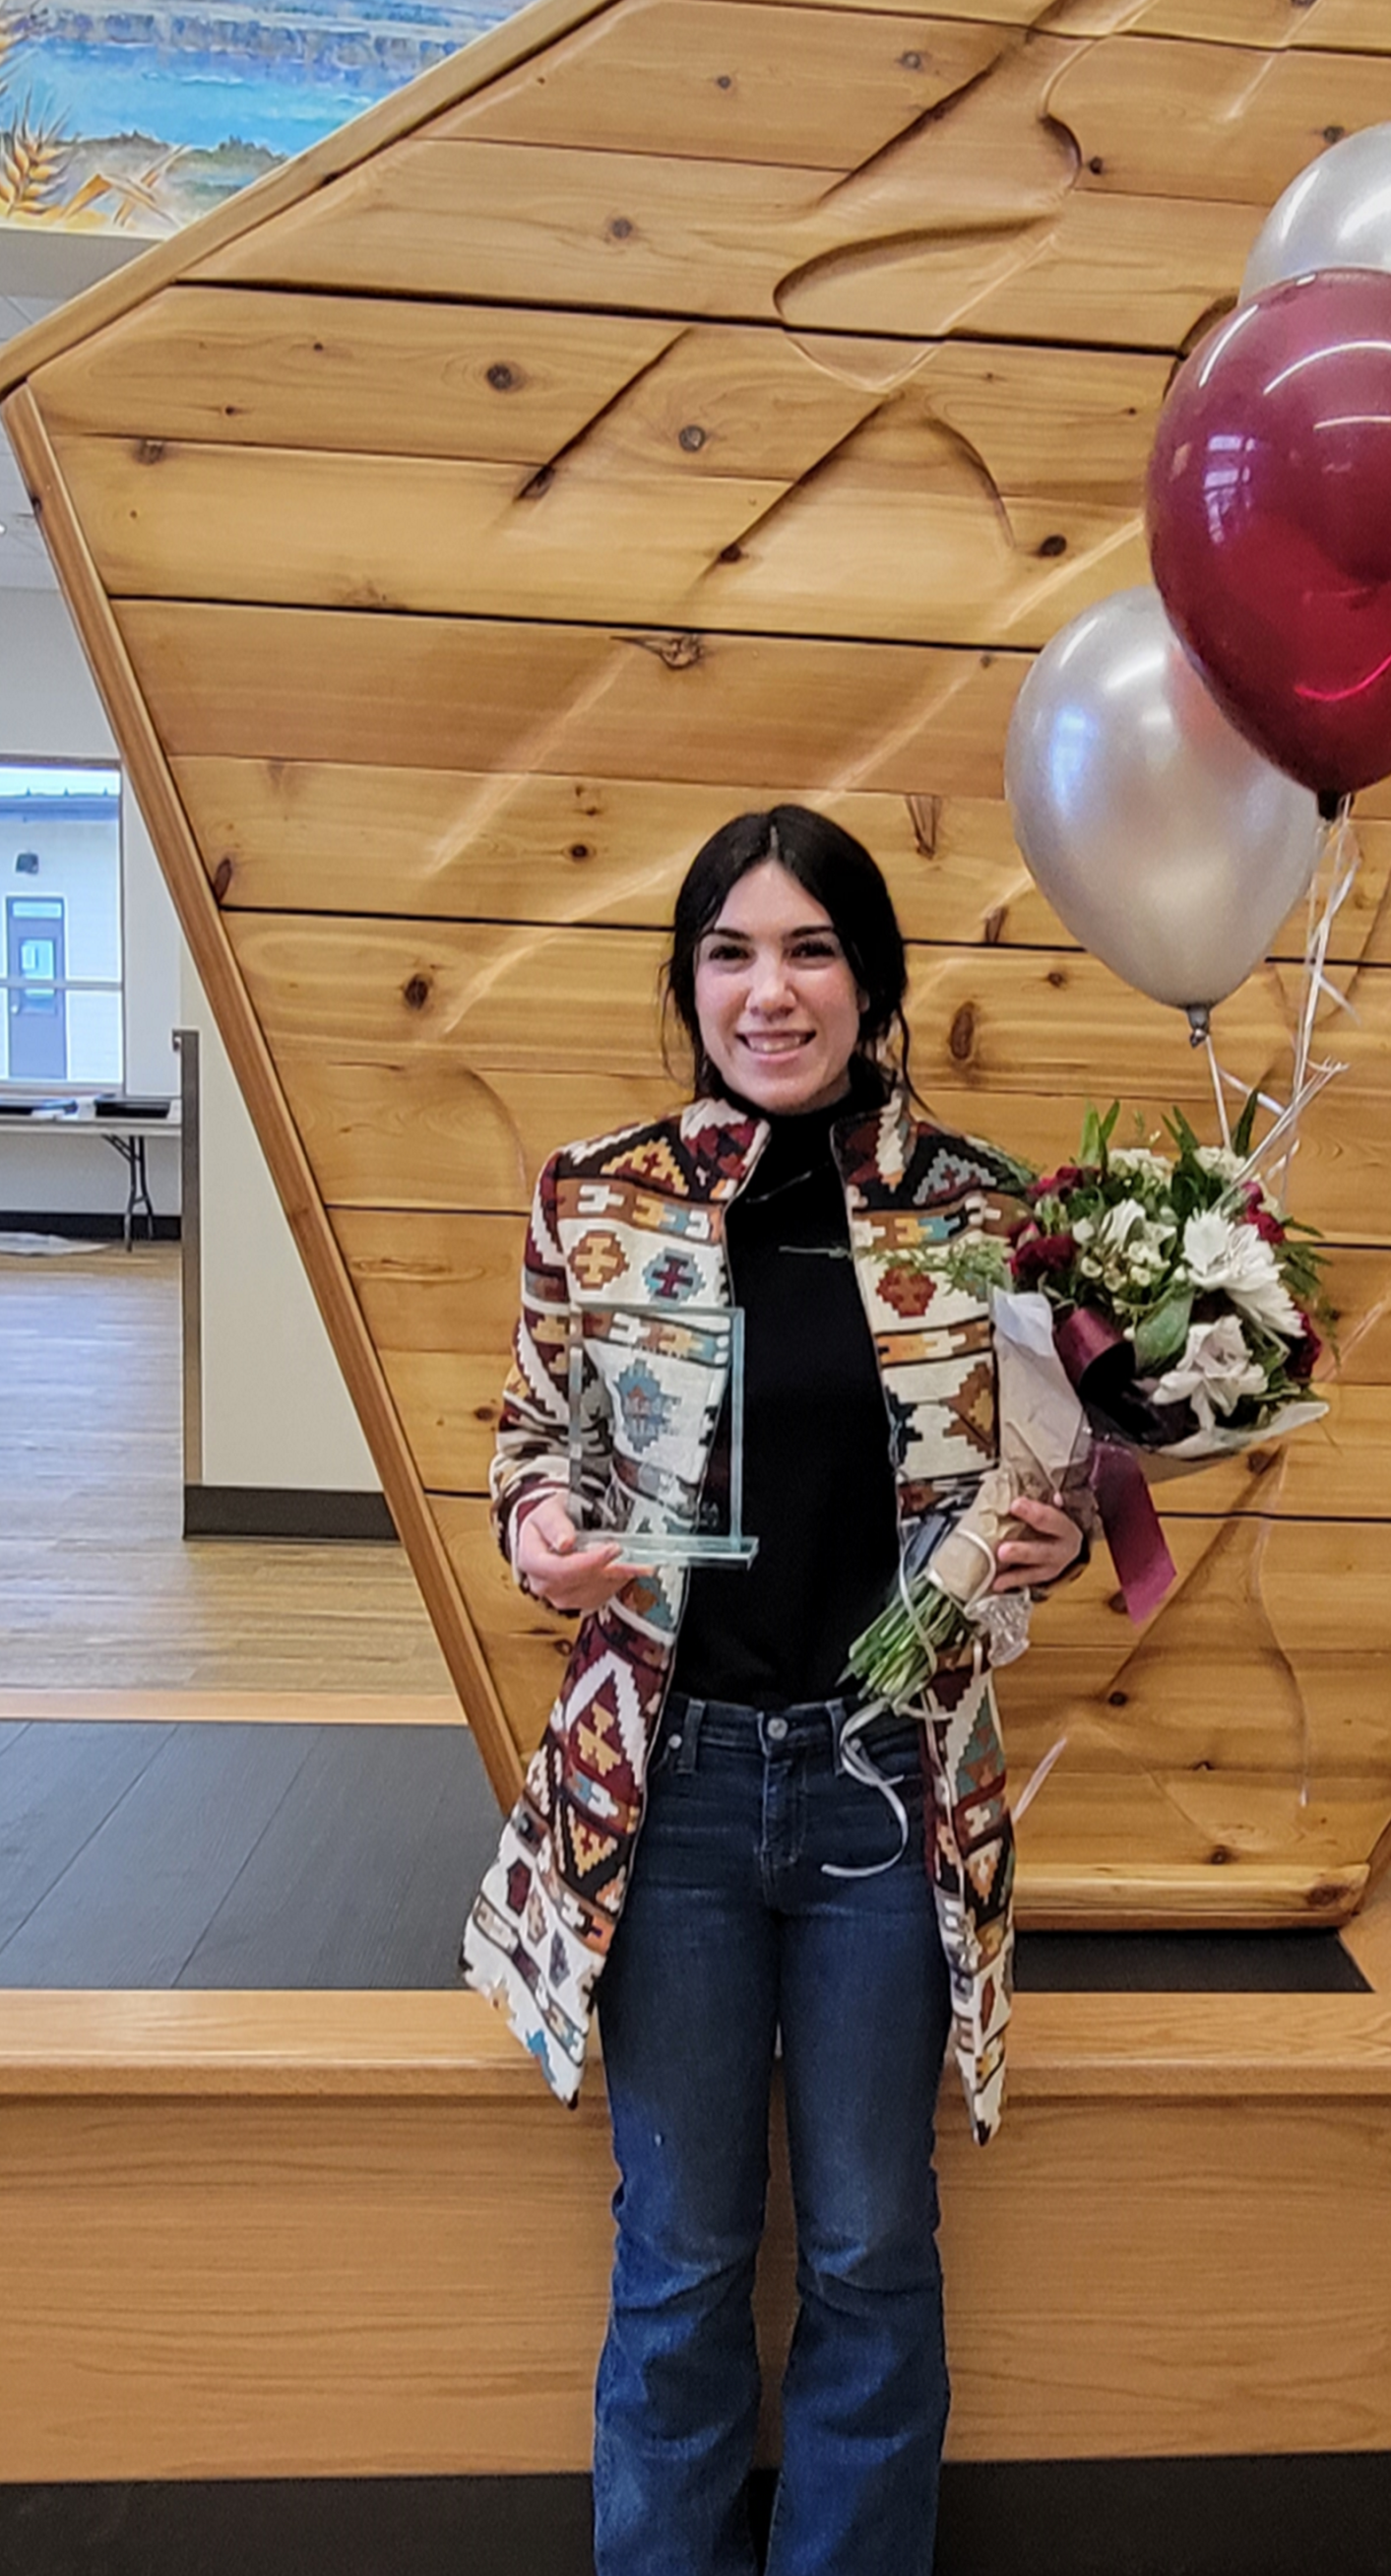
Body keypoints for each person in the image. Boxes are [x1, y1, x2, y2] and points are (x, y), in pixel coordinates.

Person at [461, 805, 1084, 2576]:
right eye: (731, 953)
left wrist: (1048, 1539)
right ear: (690, 985)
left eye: (810, 950)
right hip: (669, 1794)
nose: (770, 990)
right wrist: (545, 1531)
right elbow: (527, 1448)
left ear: (873, 984)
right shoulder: (604, 1193)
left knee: (876, 2248)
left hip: (890, 1783)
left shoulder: (985, 1219)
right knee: (680, 2254)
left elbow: (1040, 1484)